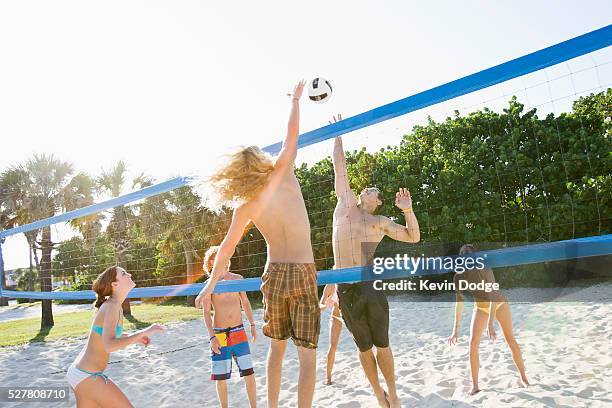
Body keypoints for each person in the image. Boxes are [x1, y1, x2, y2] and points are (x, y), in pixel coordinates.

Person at [195, 81, 319, 408]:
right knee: (306, 357)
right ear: (260, 161)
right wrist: (294, 99)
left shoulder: (247, 204)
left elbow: (226, 248)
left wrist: (210, 285)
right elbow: (292, 133)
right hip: (303, 270)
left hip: (274, 273)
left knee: (276, 351)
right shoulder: (282, 172)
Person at [331, 114, 421, 408]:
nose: (367, 188)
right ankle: (376, 393)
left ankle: (392, 393)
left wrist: (407, 210)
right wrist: (338, 134)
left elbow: (413, 237)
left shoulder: (380, 221)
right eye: (366, 187)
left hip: (370, 284)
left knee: (382, 344)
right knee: (364, 347)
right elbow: (339, 167)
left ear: (378, 201)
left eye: (373, 190)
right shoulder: (345, 205)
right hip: (345, 286)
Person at [66, 266, 164, 407]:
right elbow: (110, 345)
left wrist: (134, 337)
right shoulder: (111, 306)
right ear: (115, 284)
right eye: (124, 273)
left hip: (79, 373)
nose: (129, 274)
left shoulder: (114, 305)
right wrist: (142, 332)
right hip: (87, 375)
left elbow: (109, 334)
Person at [447, 244, 529, 395]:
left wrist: (490, 325)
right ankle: (475, 385)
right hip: (481, 308)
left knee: (510, 339)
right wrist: (455, 329)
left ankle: (524, 377)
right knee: (473, 344)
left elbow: (492, 297)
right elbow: (459, 303)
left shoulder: (485, 269)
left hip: (498, 304)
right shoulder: (458, 276)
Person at [201, 246, 257, 408]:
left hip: (238, 331)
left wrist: (252, 325)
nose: (220, 259)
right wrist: (212, 337)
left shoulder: (237, 279)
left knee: (249, 374)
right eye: (216, 258)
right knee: (221, 378)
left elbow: (245, 303)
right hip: (220, 334)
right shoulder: (208, 285)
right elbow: (206, 313)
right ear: (210, 263)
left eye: (222, 256)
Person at [319, 283, 343, 385]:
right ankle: (328, 378)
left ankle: (367, 375)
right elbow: (320, 306)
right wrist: (325, 305)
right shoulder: (330, 285)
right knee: (332, 346)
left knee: (362, 345)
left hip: (352, 316)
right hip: (336, 316)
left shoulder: (350, 278)